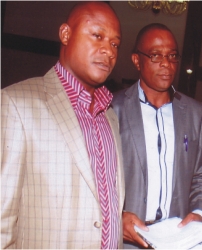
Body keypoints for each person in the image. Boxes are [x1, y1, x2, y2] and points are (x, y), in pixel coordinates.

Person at [1, 2, 125, 248]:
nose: (109, 51)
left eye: (115, 44)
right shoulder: (17, 104)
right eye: (98, 36)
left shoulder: (110, 115)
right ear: (66, 34)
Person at [111, 23, 202, 249]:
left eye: (172, 55)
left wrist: (198, 212)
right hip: (126, 240)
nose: (166, 63)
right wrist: (117, 216)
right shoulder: (113, 108)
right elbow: (98, 179)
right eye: (156, 55)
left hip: (176, 240)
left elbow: (199, 175)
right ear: (137, 60)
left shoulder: (196, 112)